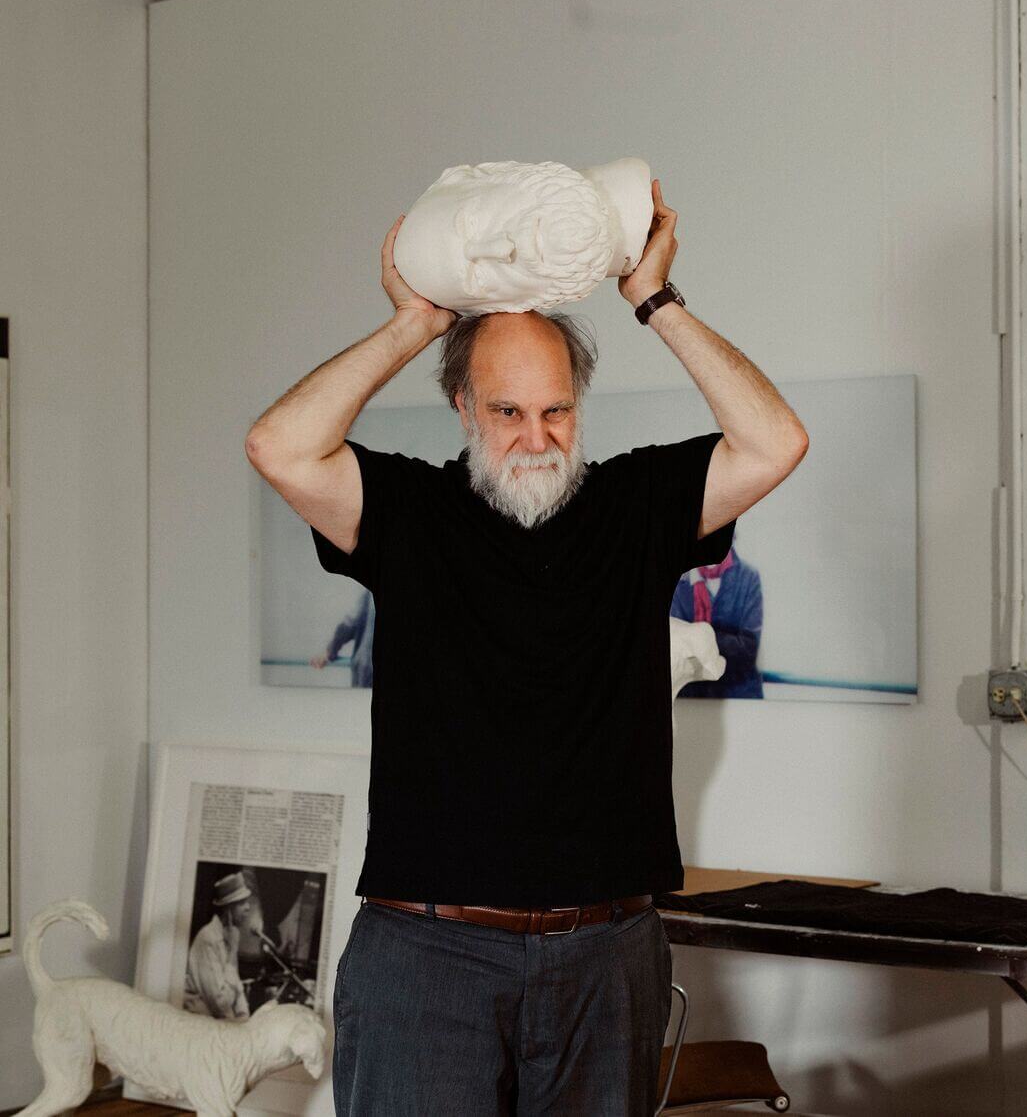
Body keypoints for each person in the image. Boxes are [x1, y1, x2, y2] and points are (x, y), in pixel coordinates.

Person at [245, 179, 809, 1116]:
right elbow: (280, 446)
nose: (536, 437)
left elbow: (776, 439)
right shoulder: (410, 513)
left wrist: (654, 301)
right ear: (463, 408)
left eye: (557, 412)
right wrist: (412, 324)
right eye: (509, 412)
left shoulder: (636, 505)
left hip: (607, 952)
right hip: (430, 955)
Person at [670, 525, 766, 698]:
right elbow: (676, 646)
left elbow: (749, 649)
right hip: (691, 698)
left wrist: (700, 636)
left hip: (740, 695)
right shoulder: (678, 581)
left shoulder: (748, 577)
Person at [183, 871, 254, 1020]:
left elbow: (237, 988)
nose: (248, 908)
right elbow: (220, 1004)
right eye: (242, 903)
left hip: (224, 1022)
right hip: (200, 1023)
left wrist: (243, 1015)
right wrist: (233, 951)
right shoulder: (208, 938)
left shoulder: (232, 934)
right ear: (228, 909)